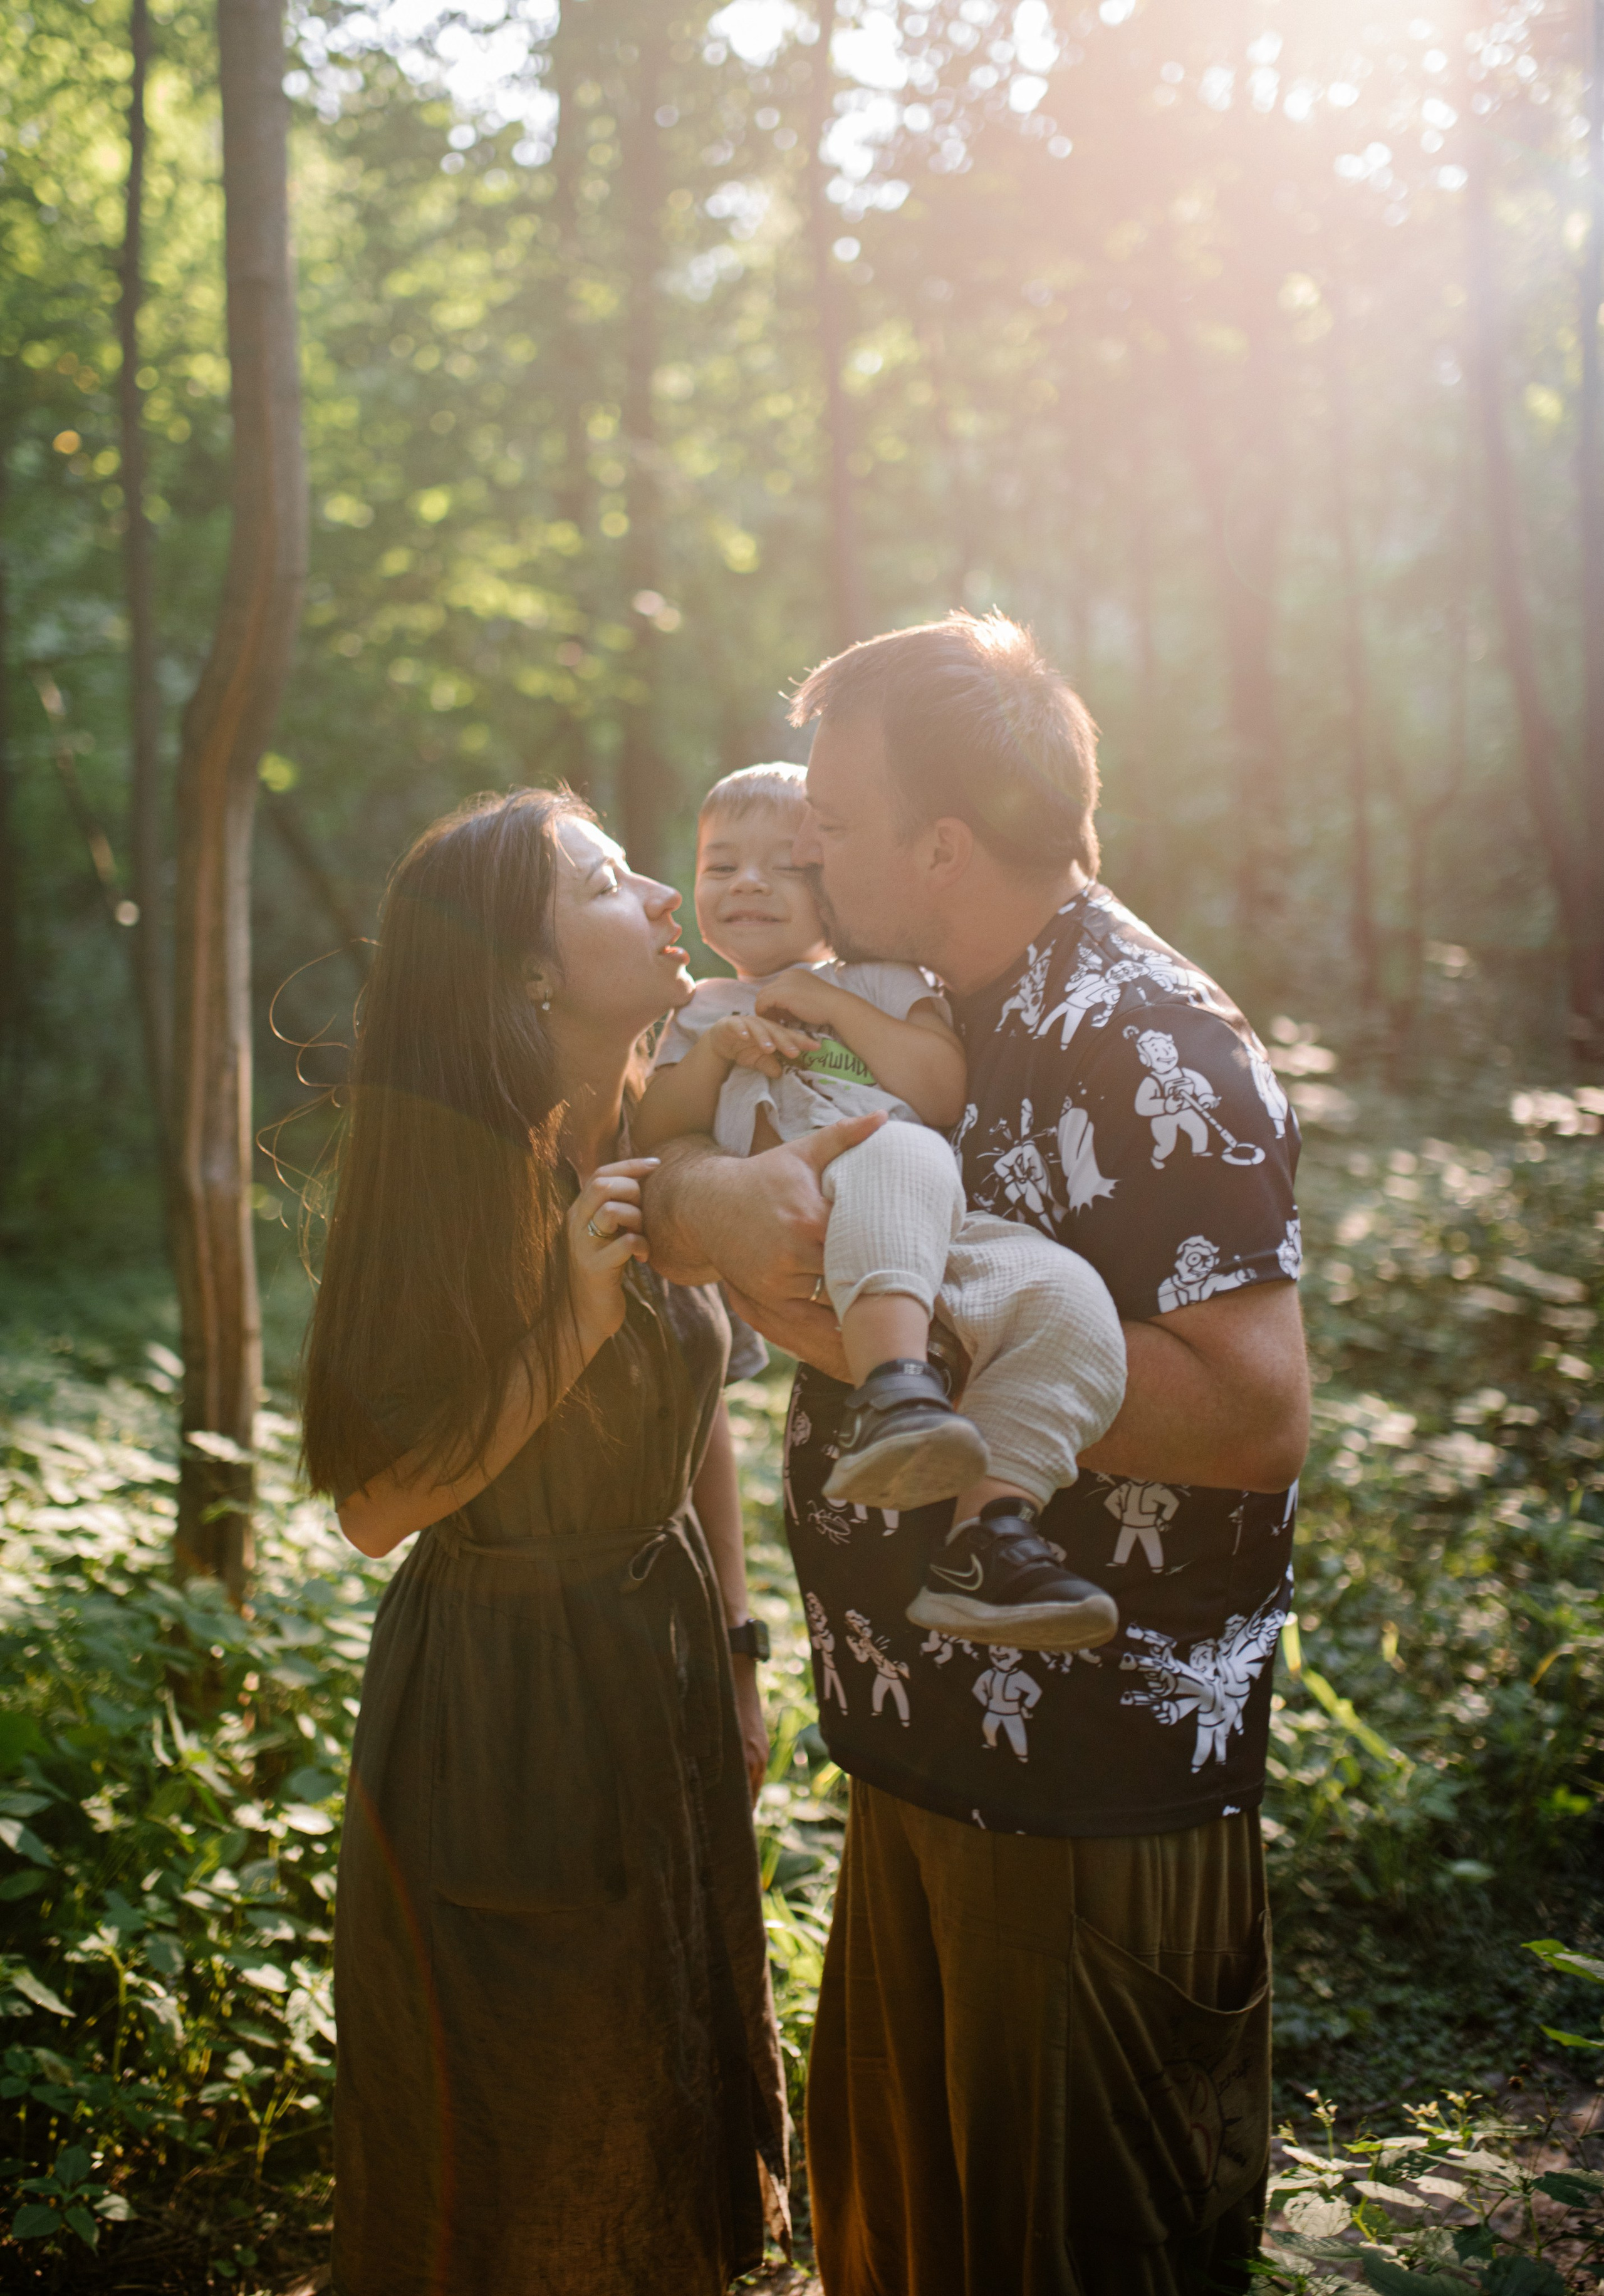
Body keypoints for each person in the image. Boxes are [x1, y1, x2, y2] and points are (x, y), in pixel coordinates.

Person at [644, 612, 1311, 2296]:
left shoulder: (1144, 1034)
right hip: (920, 1751)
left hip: (1085, 1797)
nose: (807, 852)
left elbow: (1250, 1410)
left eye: (838, 830)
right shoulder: (942, 1005)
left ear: (942, 848)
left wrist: (854, 1334)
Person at [300, 789, 791, 2296]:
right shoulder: (448, 1174)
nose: (659, 891)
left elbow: (697, 1411)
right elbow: (375, 1508)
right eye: (602, 879)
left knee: (663, 2090)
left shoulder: (659, 1127)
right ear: (525, 973)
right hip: (503, 1711)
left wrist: (737, 1652)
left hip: (657, 1665)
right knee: (527, 2134)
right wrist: (566, 1325)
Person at [634, 761, 1128, 1652]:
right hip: (814, 1219)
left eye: (782, 865)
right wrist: (717, 1057)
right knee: (892, 1146)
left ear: (830, 881)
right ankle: (893, 1395)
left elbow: (939, 1087)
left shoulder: (885, 980)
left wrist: (828, 1003)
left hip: (928, 1225)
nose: (748, 882)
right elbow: (657, 1129)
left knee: (1072, 1299)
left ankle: (989, 1538)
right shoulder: (701, 1011)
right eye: (720, 865)